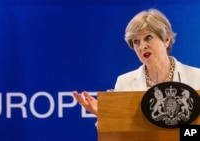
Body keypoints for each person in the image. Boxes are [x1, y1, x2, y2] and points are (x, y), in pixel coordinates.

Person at [72, 8, 200, 117]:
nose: (142, 46)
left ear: (166, 40)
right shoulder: (125, 82)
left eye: (148, 37)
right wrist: (105, 114)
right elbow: (118, 132)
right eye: (136, 41)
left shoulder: (197, 77)